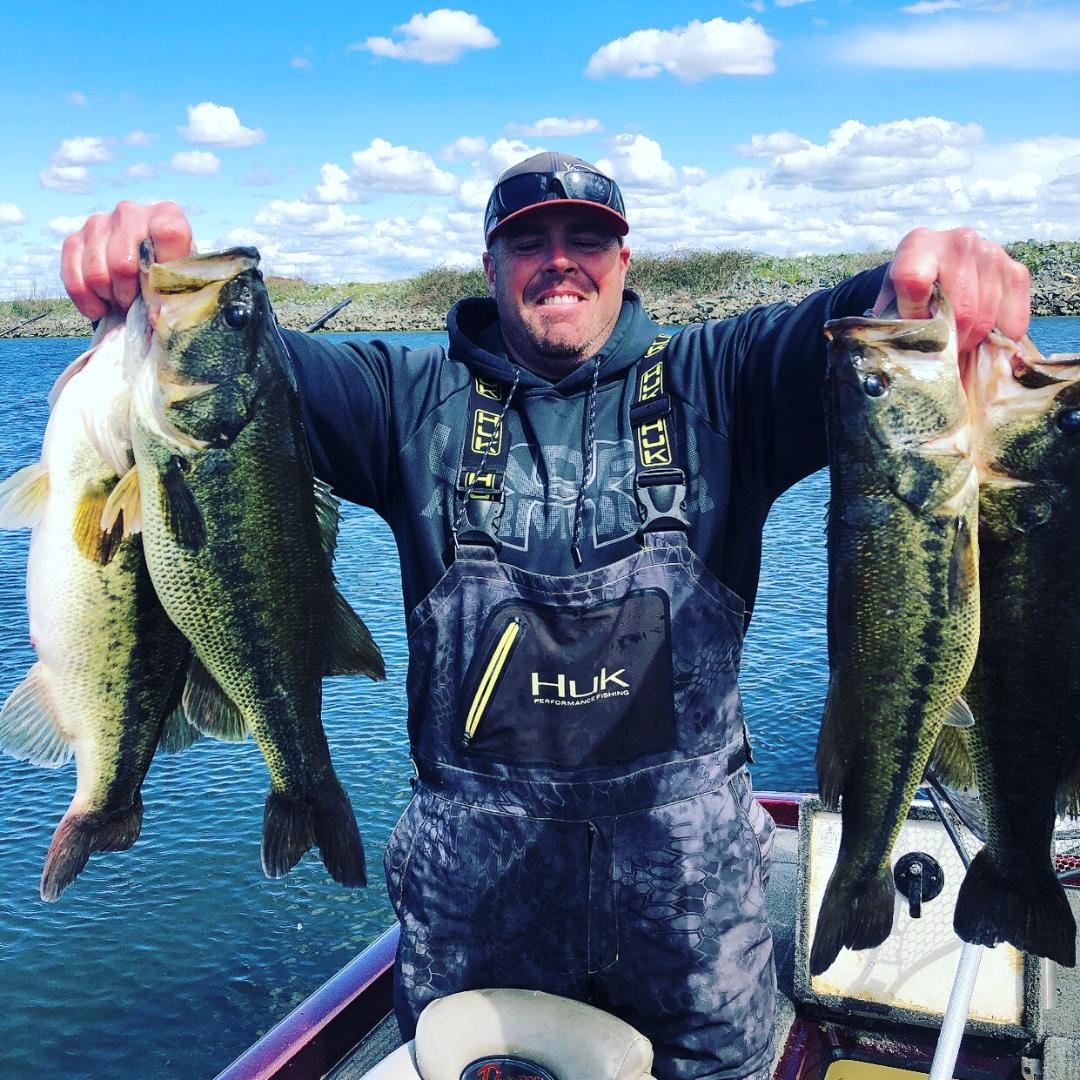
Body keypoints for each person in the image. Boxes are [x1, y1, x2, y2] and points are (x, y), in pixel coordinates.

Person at [62, 152, 1030, 1080]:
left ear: (625, 262)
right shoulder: (409, 400)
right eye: (530, 239)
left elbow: (845, 330)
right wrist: (155, 300)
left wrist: (920, 287)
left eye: (587, 236)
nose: (560, 258)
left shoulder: (722, 384)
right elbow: (249, 371)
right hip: (475, 952)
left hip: (700, 954)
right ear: (490, 266)